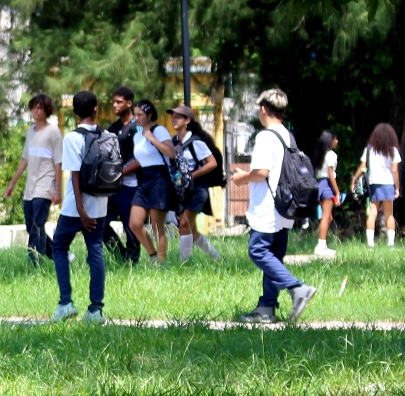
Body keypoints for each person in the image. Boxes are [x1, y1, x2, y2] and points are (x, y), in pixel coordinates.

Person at [231, 89, 316, 323]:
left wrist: (241, 178)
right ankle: (266, 308)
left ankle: (297, 288)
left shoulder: (266, 136)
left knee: (258, 251)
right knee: (274, 257)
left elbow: (261, 172)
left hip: (267, 206)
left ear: (263, 109)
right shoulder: (288, 135)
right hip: (285, 206)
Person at [50, 90, 109, 323]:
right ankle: (96, 310)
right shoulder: (107, 135)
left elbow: (75, 175)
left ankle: (66, 303)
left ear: (74, 112)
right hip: (101, 205)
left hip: (76, 208)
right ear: (96, 109)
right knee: (95, 253)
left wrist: (81, 211)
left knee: (59, 246)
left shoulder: (73, 138)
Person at [3, 94, 63, 264]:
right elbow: (25, 159)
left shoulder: (54, 132)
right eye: (34, 107)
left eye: (40, 108)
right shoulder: (30, 131)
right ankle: (58, 254)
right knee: (31, 226)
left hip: (45, 185)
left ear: (46, 111)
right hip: (31, 186)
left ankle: (35, 262)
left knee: (38, 225)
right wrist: (12, 183)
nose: (36, 111)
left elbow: (58, 162)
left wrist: (57, 189)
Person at [167, 105, 221, 262]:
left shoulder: (196, 142)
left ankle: (184, 262)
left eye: (178, 117)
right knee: (191, 229)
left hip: (197, 189)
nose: (174, 119)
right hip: (183, 191)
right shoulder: (174, 141)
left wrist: (191, 175)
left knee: (184, 224)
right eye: (173, 116)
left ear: (187, 121)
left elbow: (212, 163)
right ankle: (217, 258)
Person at [127, 100, 175, 264]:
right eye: (135, 115)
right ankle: (153, 254)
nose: (136, 118)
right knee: (134, 223)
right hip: (144, 178)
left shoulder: (159, 130)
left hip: (159, 177)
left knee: (157, 226)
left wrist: (153, 139)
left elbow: (171, 153)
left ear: (149, 115)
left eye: (140, 114)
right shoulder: (137, 136)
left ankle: (162, 262)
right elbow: (141, 160)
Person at [103, 86, 141, 262]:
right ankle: (121, 257)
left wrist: (120, 172)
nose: (115, 105)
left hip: (131, 187)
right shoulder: (112, 128)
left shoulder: (138, 128)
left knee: (131, 226)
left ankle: (133, 260)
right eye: (113, 102)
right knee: (100, 222)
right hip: (113, 187)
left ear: (129, 103)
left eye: (119, 102)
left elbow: (141, 159)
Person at [351, 122, 401, 248]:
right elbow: (394, 171)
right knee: (389, 214)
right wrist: (397, 187)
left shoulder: (369, 149)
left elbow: (363, 166)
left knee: (372, 213)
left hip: (374, 184)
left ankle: (370, 244)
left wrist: (353, 180)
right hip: (388, 183)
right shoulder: (393, 151)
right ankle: (391, 244)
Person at [313, 131, 341, 257]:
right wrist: (337, 191)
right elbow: (331, 175)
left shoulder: (321, 155)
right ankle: (321, 245)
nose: (337, 141)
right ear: (331, 141)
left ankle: (322, 243)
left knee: (328, 217)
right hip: (327, 185)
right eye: (335, 139)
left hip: (319, 184)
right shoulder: (331, 155)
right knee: (326, 216)